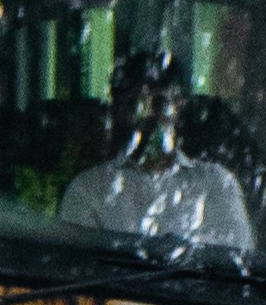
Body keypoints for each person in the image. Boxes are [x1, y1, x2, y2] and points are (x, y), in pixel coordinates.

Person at [61, 49, 254, 252]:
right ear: (118, 110)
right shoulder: (88, 190)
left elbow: (236, 266)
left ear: (179, 106)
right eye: (134, 105)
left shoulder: (217, 185)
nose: (148, 117)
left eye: (159, 103)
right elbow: (80, 269)